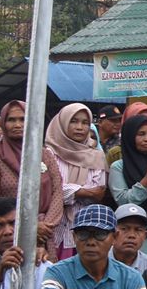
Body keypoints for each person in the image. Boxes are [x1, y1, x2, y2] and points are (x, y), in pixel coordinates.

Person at [0, 100, 63, 254]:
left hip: (43, 234)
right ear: (3, 123)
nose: (17, 125)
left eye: (23, 119)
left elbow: (57, 191)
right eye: (11, 120)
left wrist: (45, 226)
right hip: (6, 232)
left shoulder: (44, 154)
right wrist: (29, 227)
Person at [42, 104, 109, 257]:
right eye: (73, 121)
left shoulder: (96, 155)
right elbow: (49, 192)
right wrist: (82, 191)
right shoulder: (49, 154)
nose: (80, 127)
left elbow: (98, 193)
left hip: (84, 230)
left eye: (85, 123)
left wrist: (67, 191)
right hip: (52, 230)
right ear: (63, 122)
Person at [110, 113, 147, 265]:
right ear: (130, 137)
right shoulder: (119, 167)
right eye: (141, 134)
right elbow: (124, 201)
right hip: (137, 232)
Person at [110, 204, 147, 273]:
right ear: (112, 233)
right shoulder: (98, 262)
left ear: (145, 235)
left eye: (138, 230)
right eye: (124, 229)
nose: (131, 235)